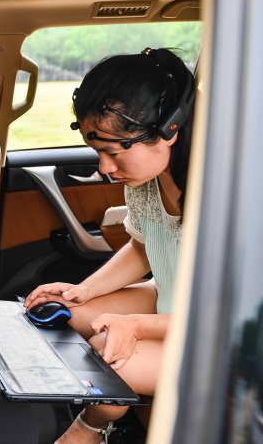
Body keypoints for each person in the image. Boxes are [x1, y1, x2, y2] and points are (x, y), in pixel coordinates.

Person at [22, 48, 195, 444]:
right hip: (168, 301)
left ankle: (90, 429)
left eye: (114, 152)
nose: (104, 168)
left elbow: (227, 320)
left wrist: (134, 326)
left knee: (109, 356)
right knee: (62, 310)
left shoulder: (220, 198)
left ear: (170, 129)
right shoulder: (150, 182)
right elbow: (141, 248)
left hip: (216, 335)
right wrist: (82, 291)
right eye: (99, 151)